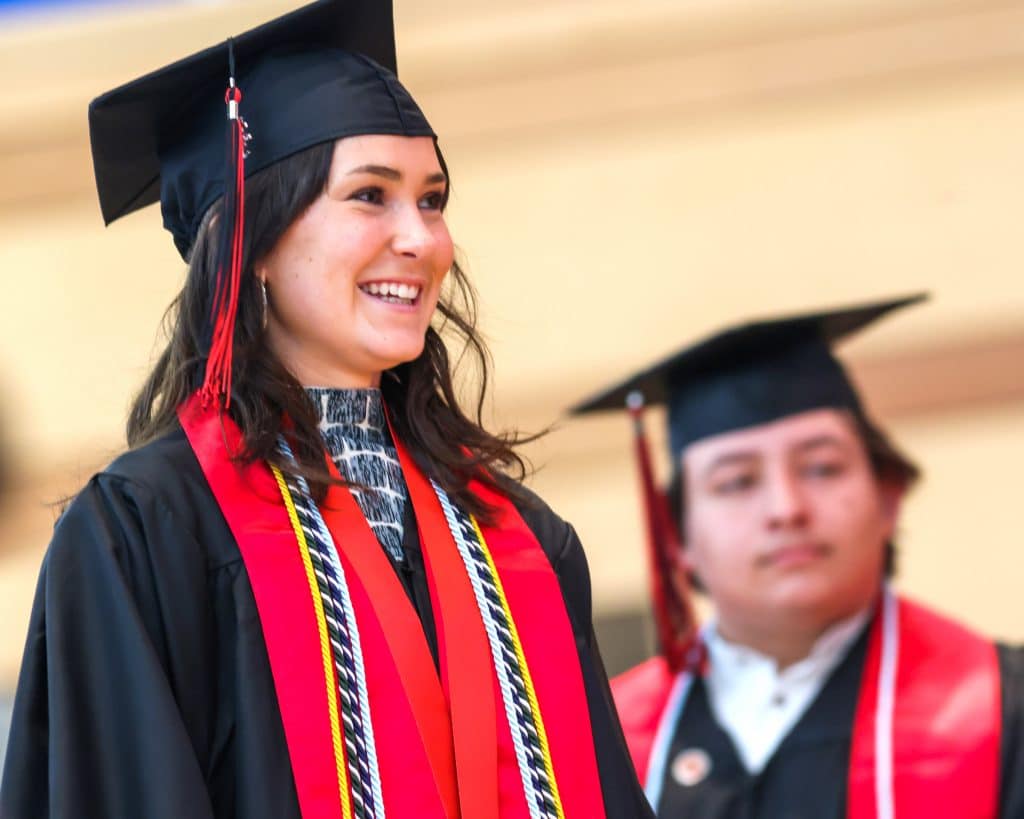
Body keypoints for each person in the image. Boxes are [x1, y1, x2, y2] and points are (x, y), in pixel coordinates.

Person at [0, 2, 651, 817]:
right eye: (371, 195)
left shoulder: (520, 538)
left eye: (433, 198)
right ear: (255, 238)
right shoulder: (147, 532)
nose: (421, 239)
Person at [570, 295, 1024, 818]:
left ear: (889, 495)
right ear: (677, 538)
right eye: (737, 481)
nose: (786, 509)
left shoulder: (1001, 710)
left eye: (822, 468)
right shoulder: (602, 740)